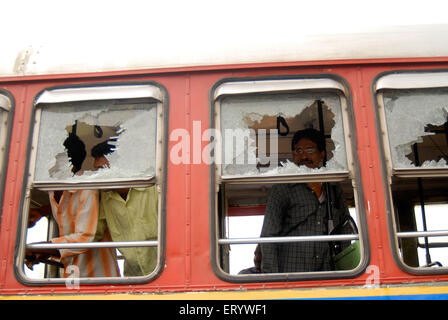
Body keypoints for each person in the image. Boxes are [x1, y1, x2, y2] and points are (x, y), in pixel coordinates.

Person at [25, 132, 120, 278]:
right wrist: (43, 253)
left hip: (99, 277)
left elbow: (84, 237)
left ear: (67, 163)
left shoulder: (86, 187)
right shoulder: (52, 191)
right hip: (72, 277)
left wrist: (41, 247)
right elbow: (67, 241)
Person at [260, 128, 353, 273]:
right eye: (298, 151)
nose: (303, 156)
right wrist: (272, 277)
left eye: (310, 150)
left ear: (321, 155)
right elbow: (268, 236)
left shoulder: (333, 187)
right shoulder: (282, 188)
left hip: (329, 272)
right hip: (292, 274)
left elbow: (345, 226)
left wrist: (346, 266)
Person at [92, 140, 158, 277]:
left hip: (167, 275)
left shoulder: (154, 189)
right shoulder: (106, 198)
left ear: (120, 167)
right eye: (95, 171)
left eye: (101, 170)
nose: (96, 177)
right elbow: (91, 233)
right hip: (134, 278)